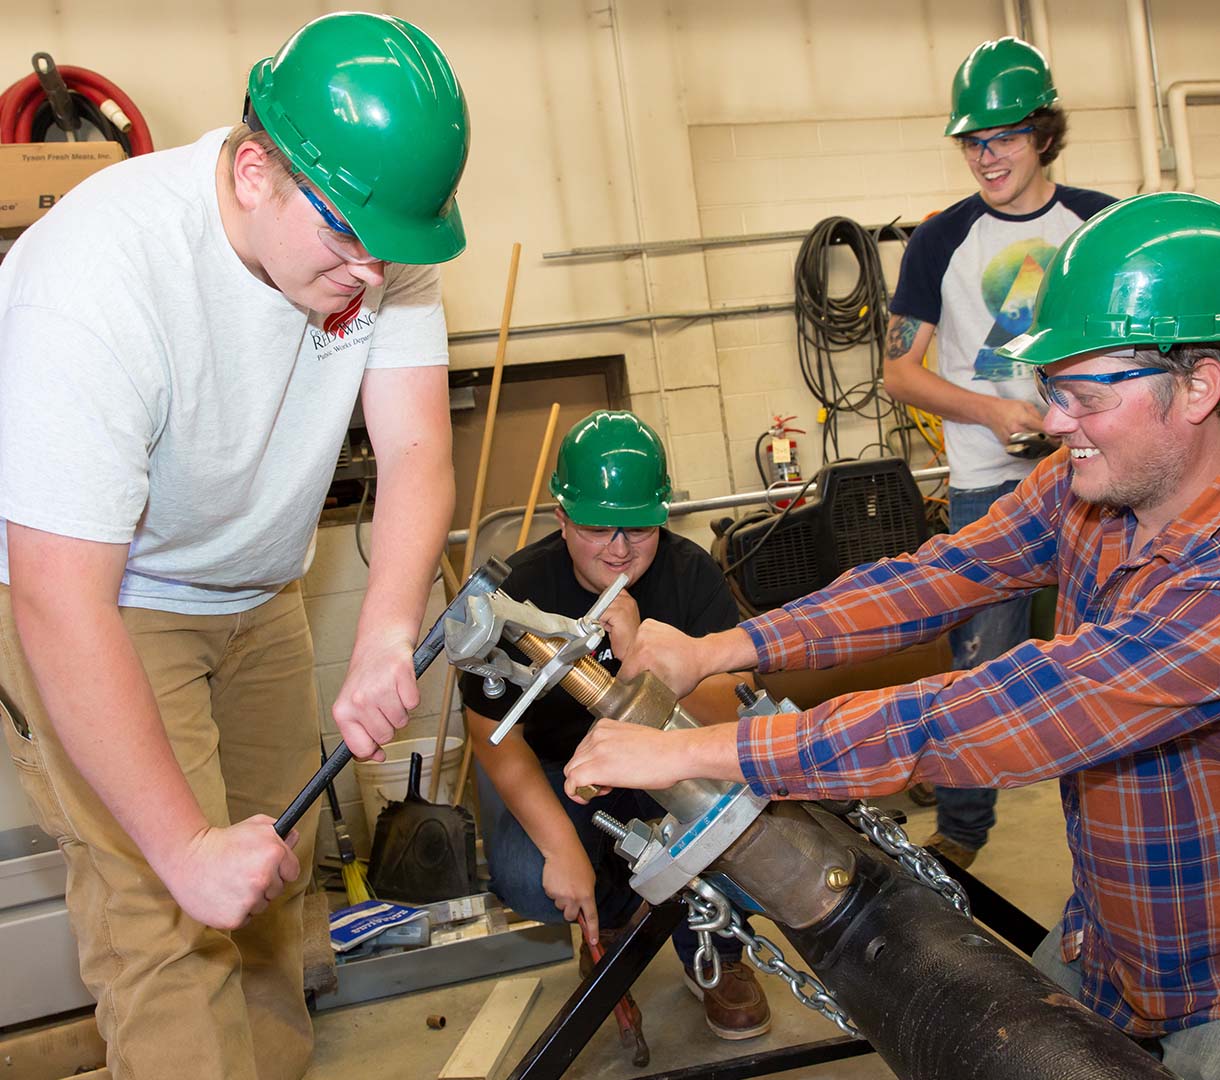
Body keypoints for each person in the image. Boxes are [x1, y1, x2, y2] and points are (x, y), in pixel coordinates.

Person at [565, 191, 1220, 1080]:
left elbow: (994, 712)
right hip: (1112, 943)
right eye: (1049, 387)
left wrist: (707, 752)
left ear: (1198, 383)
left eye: (1082, 391)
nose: (1054, 420)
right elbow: (933, 578)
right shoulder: (1089, 490)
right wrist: (716, 652)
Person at [0, 13, 467, 1080]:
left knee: (266, 894)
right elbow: (58, 600)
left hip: (256, 590)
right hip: (103, 602)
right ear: (254, 169)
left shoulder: (377, 239)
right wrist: (176, 848)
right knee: (167, 919)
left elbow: (414, 451)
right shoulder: (95, 276)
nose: (369, 273)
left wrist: (387, 632)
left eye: (389, 250)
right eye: (346, 239)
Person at [460, 410, 772, 1041]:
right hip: (560, 769)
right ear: (562, 519)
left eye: (639, 528)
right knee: (528, 873)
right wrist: (561, 847)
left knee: (748, 820)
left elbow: (729, 711)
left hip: (666, 761)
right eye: (599, 527)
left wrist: (642, 661)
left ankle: (713, 949)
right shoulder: (520, 593)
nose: (620, 548)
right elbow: (492, 739)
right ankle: (605, 926)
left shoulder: (691, 577)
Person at [882, 36, 1117, 867]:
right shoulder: (940, 241)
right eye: (973, 141)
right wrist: (988, 409)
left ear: (1043, 133)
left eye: (1004, 138)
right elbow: (897, 373)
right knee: (979, 661)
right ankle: (963, 830)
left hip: (1104, 479)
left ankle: (1107, 832)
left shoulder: (1099, 225)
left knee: (1110, 662)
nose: (987, 156)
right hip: (992, 486)